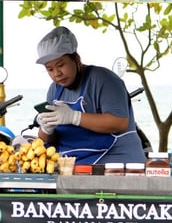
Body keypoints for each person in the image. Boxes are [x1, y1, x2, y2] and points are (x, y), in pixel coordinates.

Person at [34, 26, 146, 165]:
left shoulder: (104, 80)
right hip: (73, 167)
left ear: (76, 58)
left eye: (61, 65)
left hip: (115, 165)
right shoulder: (55, 90)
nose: (57, 73)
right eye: (50, 69)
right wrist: (46, 129)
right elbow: (47, 140)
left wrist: (75, 117)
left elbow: (120, 123)